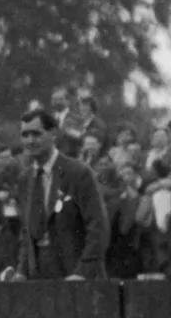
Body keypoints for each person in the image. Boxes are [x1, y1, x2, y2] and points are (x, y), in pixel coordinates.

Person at [13, 110, 110, 280]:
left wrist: (82, 273)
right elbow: (27, 232)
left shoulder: (78, 173)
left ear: (54, 134)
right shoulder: (24, 179)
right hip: (39, 279)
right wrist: (21, 271)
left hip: (77, 280)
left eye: (36, 134)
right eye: (25, 135)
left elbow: (98, 228)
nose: (30, 140)